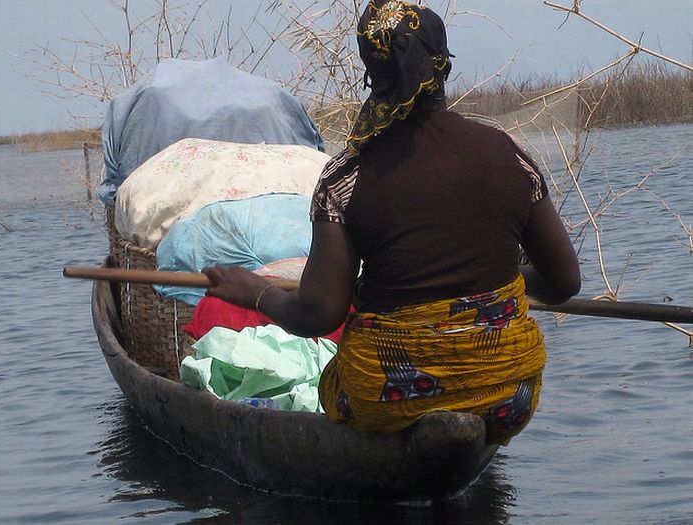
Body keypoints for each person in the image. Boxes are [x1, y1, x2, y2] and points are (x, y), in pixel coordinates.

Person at [203, 0, 580, 445]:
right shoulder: (509, 156)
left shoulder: (345, 178)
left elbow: (319, 314)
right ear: (442, 66)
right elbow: (563, 283)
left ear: (372, 74)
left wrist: (255, 291)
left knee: (333, 382)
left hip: (387, 397)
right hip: (506, 395)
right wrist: (489, 285)